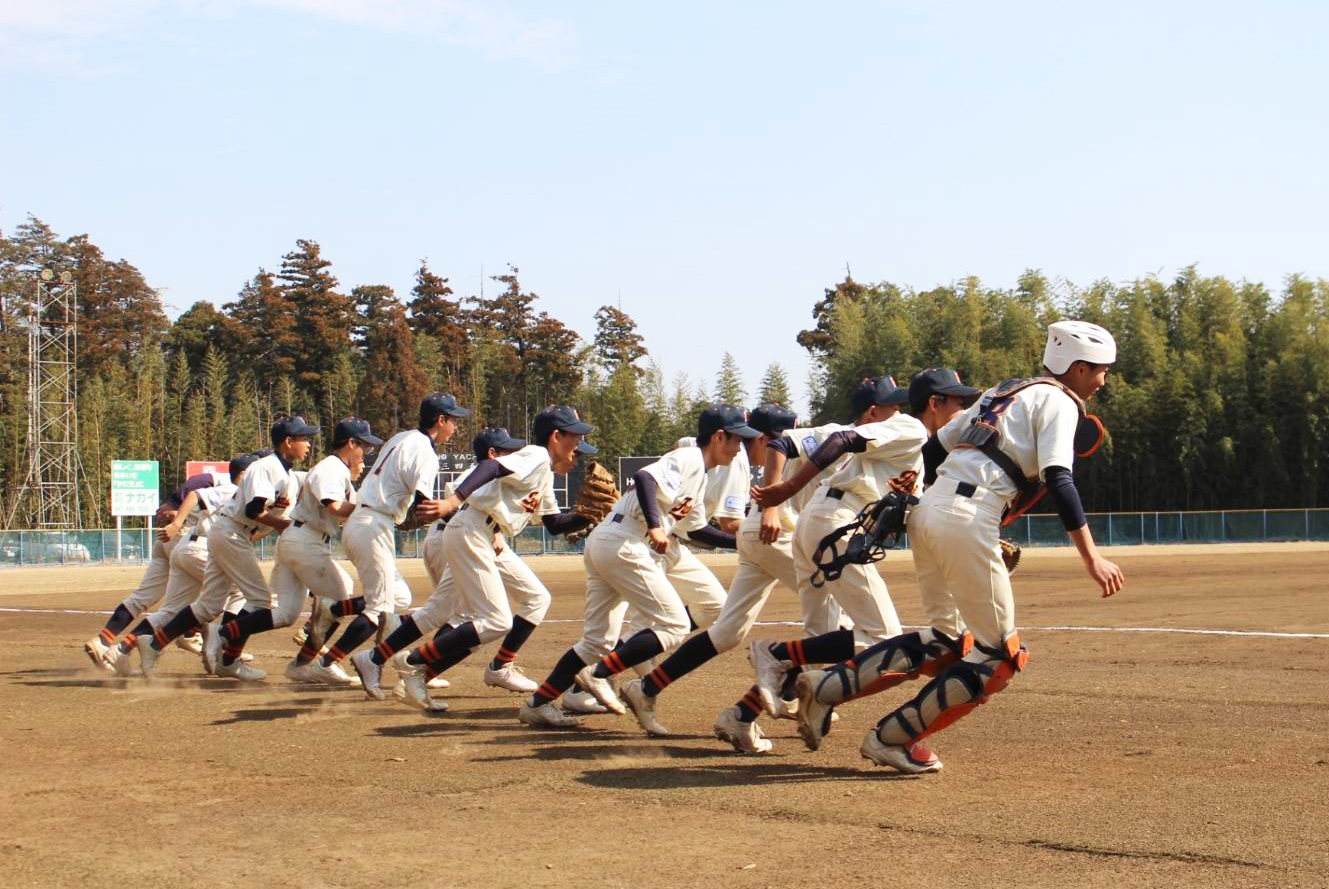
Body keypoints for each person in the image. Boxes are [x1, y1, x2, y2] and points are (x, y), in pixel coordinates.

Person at [795, 322, 1125, 773]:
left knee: (947, 641)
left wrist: (932, 501)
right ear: (1079, 367)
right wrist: (1092, 556)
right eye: (1102, 370)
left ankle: (825, 687)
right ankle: (891, 739)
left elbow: (933, 451)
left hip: (930, 511)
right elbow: (1059, 479)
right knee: (999, 657)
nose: (1104, 380)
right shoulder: (1061, 402)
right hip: (968, 517)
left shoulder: (1004, 392)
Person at [517, 404, 757, 729]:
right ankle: (599, 673)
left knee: (597, 641)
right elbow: (645, 477)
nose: (739, 448)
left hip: (609, 542)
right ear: (718, 437)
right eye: (736, 440)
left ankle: (538, 704)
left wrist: (744, 542)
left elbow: (698, 530)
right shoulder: (690, 458)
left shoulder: (699, 476)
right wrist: (656, 526)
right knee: (674, 624)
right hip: (626, 543)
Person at [351, 408, 597, 708]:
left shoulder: (543, 471)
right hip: (472, 529)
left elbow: (554, 524)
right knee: (496, 620)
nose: (578, 443)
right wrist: (452, 502)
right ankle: (413, 661)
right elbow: (491, 467)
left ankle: (387, 663)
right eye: (575, 436)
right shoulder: (536, 455)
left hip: (476, 531)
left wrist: (590, 515)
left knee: (443, 610)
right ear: (556, 436)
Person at [745, 375, 928, 737]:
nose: (898, 411)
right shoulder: (905, 430)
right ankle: (776, 653)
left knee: (820, 640)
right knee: (886, 640)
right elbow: (800, 441)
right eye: (893, 406)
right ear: (874, 412)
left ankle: (757, 714)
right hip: (833, 525)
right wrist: (780, 493)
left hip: (816, 524)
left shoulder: (900, 450)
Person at [617, 403, 801, 744]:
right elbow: (728, 524)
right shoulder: (739, 462)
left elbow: (683, 445)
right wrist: (746, 537)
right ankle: (772, 701)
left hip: (676, 539)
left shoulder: (724, 452)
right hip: (655, 540)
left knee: (724, 628)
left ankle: (645, 686)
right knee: (835, 622)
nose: (779, 449)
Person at [120, 417, 315, 680]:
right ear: (288, 441)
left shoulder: (286, 474)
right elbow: (254, 510)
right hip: (231, 532)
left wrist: (278, 523)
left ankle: (154, 644)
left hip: (229, 532)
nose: (308, 444)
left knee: (208, 606)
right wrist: (281, 525)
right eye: (304, 438)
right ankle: (225, 649)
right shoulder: (267, 467)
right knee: (260, 601)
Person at [309, 394, 469, 680]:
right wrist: (464, 523)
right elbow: (424, 505)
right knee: (378, 607)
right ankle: (329, 664)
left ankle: (335, 610)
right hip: (374, 523)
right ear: (440, 420)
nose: (455, 427)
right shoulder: (426, 452)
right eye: (453, 420)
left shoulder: (402, 437)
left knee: (399, 596)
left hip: (365, 520)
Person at [101, 455, 254, 676]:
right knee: (241, 590)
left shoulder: (247, 495)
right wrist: (176, 522)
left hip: (187, 547)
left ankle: (121, 650)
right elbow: (195, 493)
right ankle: (219, 644)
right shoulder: (233, 490)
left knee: (171, 611)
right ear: (243, 474)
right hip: (199, 549)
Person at [257, 418, 384, 683]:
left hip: (302, 538)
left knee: (286, 613)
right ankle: (305, 663)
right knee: (336, 602)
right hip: (306, 540)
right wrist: (372, 508)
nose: (366, 452)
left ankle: (227, 639)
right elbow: (335, 507)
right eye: (364, 446)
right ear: (351, 443)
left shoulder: (338, 470)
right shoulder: (331, 468)